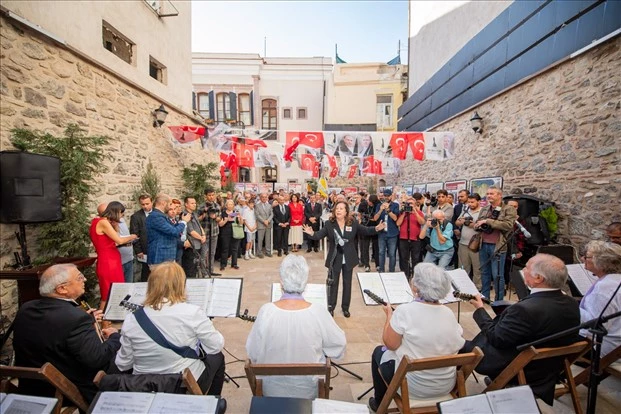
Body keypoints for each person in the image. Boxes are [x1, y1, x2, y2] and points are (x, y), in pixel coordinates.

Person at [462, 254, 581, 405]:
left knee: (458, 344)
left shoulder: (525, 309)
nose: (523, 270)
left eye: (527, 268)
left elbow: (496, 338)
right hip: (548, 368)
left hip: (520, 368)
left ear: (538, 278)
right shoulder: (571, 303)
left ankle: (454, 393)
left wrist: (480, 309)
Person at [13, 264, 121, 403]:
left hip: (32, 387)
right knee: (124, 360)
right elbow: (96, 359)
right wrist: (114, 337)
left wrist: (87, 322)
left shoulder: (26, 308)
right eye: (79, 277)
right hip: (66, 391)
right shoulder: (76, 318)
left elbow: (52, 330)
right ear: (62, 289)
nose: (85, 279)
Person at [115, 262, 226, 397]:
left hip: (144, 385)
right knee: (217, 357)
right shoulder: (192, 312)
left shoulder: (132, 318)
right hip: (181, 384)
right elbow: (215, 346)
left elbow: (123, 364)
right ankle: (212, 403)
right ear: (181, 285)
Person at [246, 255, 346, 398]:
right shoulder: (318, 312)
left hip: (272, 391)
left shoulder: (266, 311)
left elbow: (252, 352)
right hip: (307, 391)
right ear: (305, 283)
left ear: (281, 283)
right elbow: (339, 347)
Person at [368, 263, 465, 411]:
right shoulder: (448, 313)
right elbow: (458, 339)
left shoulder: (405, 311)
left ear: (416, 287)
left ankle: (379, 404)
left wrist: (389, 316)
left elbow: (390, 344)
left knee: (378, 352)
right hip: (445, 385)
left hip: (413, 386)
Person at [303, 201, 385, 317]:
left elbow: (365, 230)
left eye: (341, 208)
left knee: (347, 284)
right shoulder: (329, 224)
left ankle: (345, 308)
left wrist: (376, 228)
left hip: (348, 258)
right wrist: (311, 233)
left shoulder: (353, 223)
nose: (338, 210)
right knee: (333, 284)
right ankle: (331, 307)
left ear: (346, 211)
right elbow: (319, 235)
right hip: (334, 258)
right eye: (337, 208)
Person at [90, 201, 137, 309]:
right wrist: (132, 236)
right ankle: (102, 318)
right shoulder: (103, 222)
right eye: (121, 214)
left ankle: (112, 316)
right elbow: (119, 240)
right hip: (108, 261)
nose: (121, 217)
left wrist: (115, 225)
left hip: (110, 260)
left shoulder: (98, 222)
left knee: (116, 292)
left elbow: (113, 238)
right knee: (108, 295)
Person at [579, 241, 621, 357]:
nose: (582, 259)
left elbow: (594, 326)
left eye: (587, 257)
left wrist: (569, 306)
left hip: (605, 349)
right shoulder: (615, 280)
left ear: (601, 262)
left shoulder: (604, 287)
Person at [475, 186, 517, 301]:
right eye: (488, 194)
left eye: (492, 194)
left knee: (497, 275)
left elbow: (508, 225)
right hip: (483, 244)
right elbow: (478, 223)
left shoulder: (508, 209)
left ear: (499, 195)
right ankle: (485, 297)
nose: (489, 196)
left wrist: (488, 221)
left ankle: (499, 300)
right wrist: (477, 225)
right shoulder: (485, 209)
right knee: (484, 272)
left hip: (498, 246)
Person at [146, 194, 191, 266]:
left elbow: (173, 228)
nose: (170, 207)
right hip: (160, 258)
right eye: (170, 204)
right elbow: (174, 231)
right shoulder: (156, 216)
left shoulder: (161, 216)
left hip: (166, 257)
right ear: (163, 203)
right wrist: (184, 222)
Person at [455, 194, 483, 289]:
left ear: (478, 201)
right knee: (463, 267)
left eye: (472, 202)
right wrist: (462, 221)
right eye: (469, 202)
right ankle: (463, 287)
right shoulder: (465, 210)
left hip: (476, 244)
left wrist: (470, 224)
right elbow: (457, 222)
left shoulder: (482, 212)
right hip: (463, 243)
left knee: (477, 268)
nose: (470, 204)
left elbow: (480, 227)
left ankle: (477, 288)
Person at [396, 194, 426, 279]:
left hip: (415, 239)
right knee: (404, 258)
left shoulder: (419, 213)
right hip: (404, 238)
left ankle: (415, 276)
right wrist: (404, 214)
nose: (409, 205)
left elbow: (422, 222)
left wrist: (415, 212)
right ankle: (406, 274)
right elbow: (398, 223)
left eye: (411, 203)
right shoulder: (402, 213)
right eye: (408, 203)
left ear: (415, 204)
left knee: (415, 258)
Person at [372, 189, 400, 272]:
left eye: (388, 196)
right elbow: (375, 218)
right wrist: (381, 210)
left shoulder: (395, 205)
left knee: (392, 254)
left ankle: (391, 271)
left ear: (391, 196)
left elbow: (395, 218)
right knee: (381, 253)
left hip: (392, 233)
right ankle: (381, 270)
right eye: (385, 195)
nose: (386, 197)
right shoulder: (378, 205)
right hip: (382, 233)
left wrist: (388, 210)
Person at [182, 196, 207, 278]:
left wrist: (203, 235)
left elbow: (199, 225)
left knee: (196, 266)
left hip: (198, 244)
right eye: (192, 203)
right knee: (190, 267)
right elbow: (191, 231)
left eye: (195, 203)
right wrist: (201, 238)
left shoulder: (194, 214)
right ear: (186, 204)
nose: (194, 205)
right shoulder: (185, 215)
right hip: (191, 245)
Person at [130, 194, 153, 282]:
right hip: (144, 249)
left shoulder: (158, 214)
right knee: (146, 273)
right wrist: (138, 250)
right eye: (143, 204)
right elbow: (134, 234)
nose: (145, 206)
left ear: (152, 202)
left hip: (157, 248)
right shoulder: (136, 217)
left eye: (147, 204)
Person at [200, 187, 222, 276]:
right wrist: (205, 213)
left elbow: (220, 219)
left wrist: (215, 217)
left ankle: (211, 270)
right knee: (204, 253)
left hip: (214, 232)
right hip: (205, 233)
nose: (211, 197)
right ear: (206, 196)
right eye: (209, 195)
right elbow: (197, 219)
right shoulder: (202, 206)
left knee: (212, 253)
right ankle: (203, 271)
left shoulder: (217, 206)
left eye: (213, 195)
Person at [218, 199, 242, 271]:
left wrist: (240, 218)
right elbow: (220, 224)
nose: (230, 206)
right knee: (225, 248)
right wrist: (226, 219)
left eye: (232, 204)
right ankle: (223, 264)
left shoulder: (236, 213)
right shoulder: (223, 213)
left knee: (235, 249)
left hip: (235, 232)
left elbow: (241, 223)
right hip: (225, 233)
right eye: (229, 204)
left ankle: (234, 264)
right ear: (226, 205)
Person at [255, 192, 274, 258]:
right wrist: (264, 221)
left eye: (265, 197)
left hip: (268, 224)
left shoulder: (269, 205)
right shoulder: (257, 205)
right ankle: (259, 252)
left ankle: (268, 252)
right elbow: (257, 215)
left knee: (268, 239)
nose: (264, 198)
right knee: (260, 239)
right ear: (260, 198)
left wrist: (268, 220)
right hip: (261, 224)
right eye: (262, 197)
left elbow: (272, 214)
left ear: (267, 198)